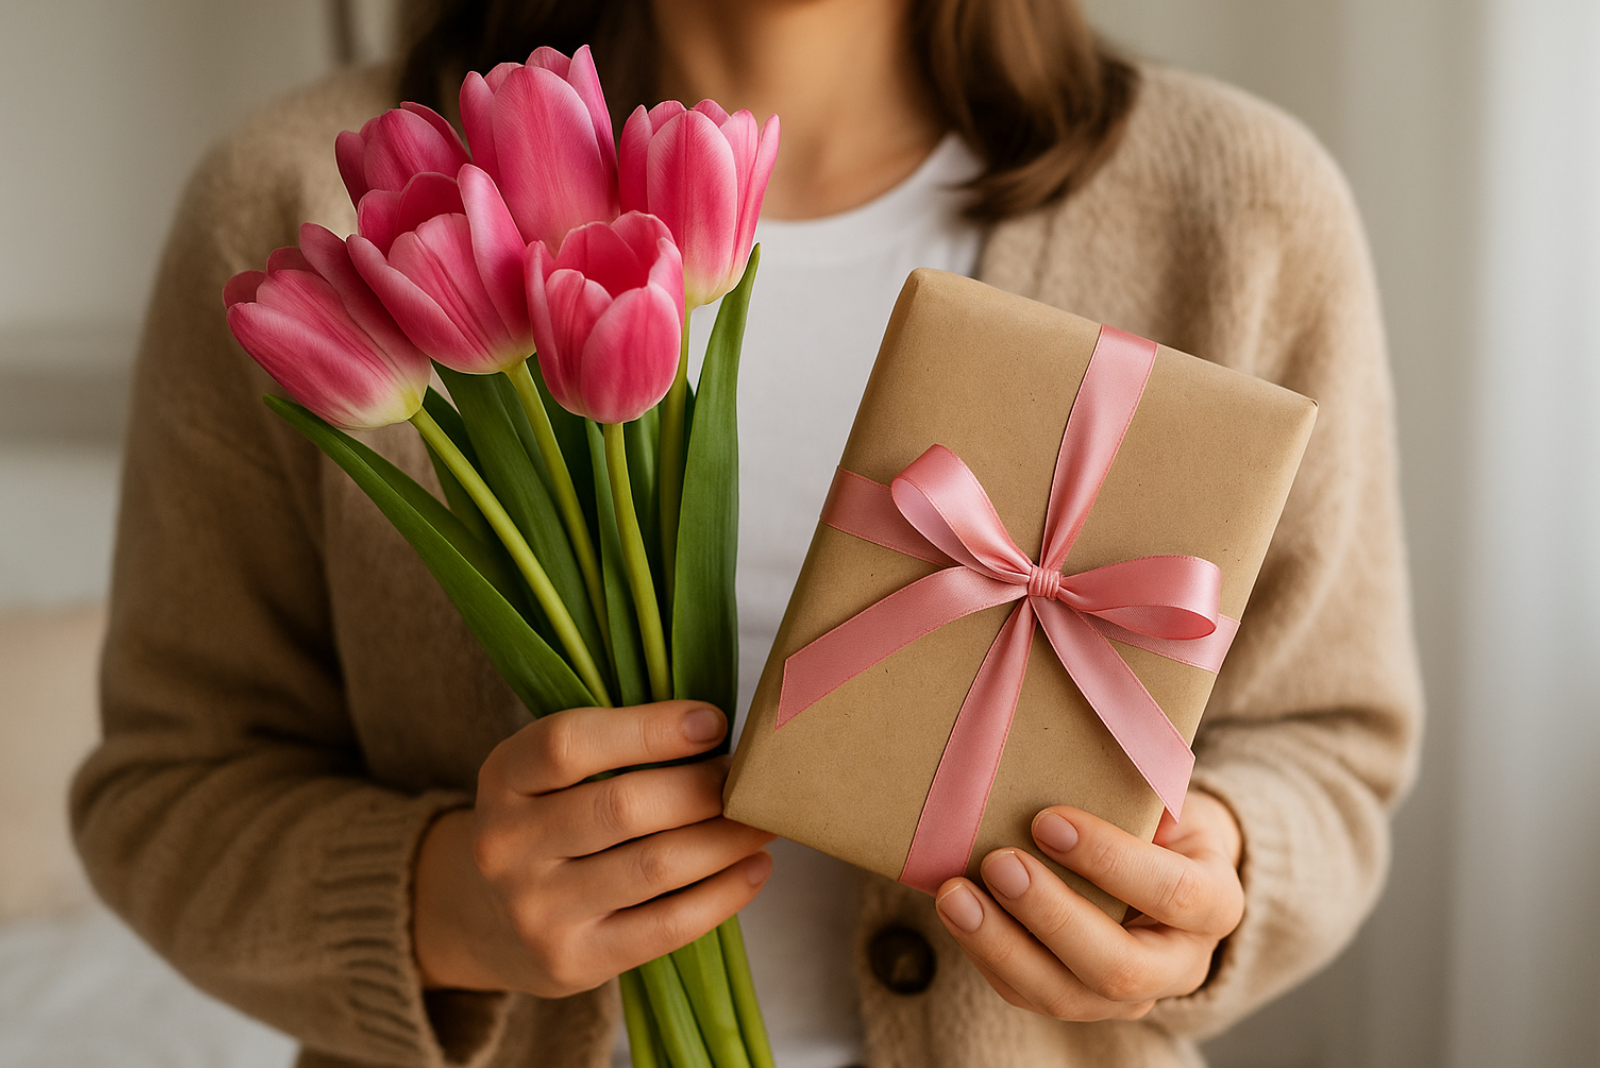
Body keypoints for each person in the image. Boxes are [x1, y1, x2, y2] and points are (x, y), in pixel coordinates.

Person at [71, 1, 1424, 1067]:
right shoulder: (311, 202)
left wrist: (1215, 880)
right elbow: (166, 793)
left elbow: (1331, 743)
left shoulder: (1240, 206)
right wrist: (443, 909)